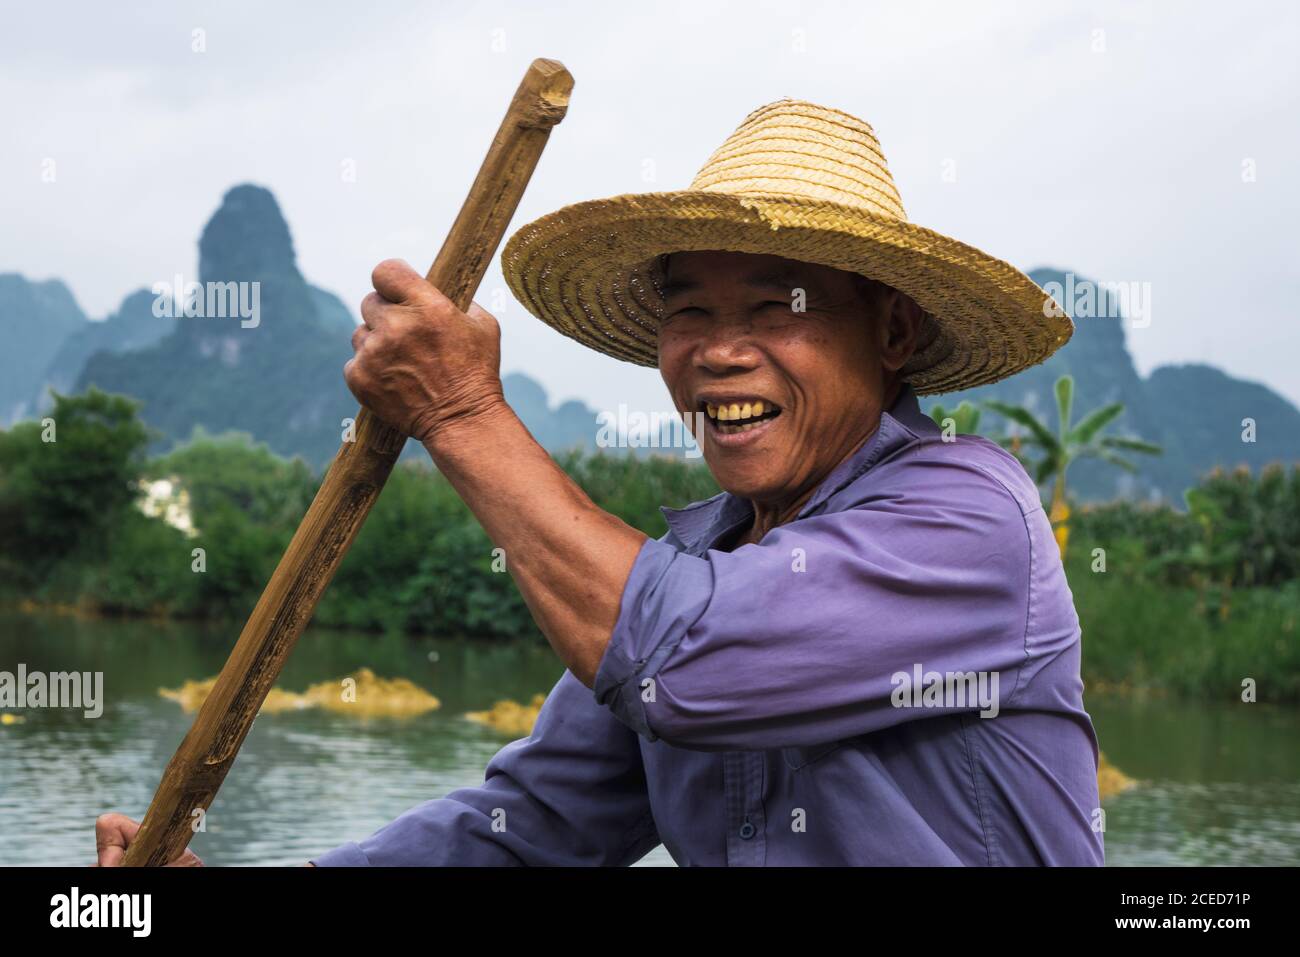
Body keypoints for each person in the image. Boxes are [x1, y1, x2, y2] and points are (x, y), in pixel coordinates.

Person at [98, 98, 1102, 866]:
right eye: (689, 314)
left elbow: (688, 657)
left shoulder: (969, 518)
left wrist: (459, 413)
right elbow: (526, 828)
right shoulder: (701, 558)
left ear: (891, 334)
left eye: (773, 306)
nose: (719, 353)